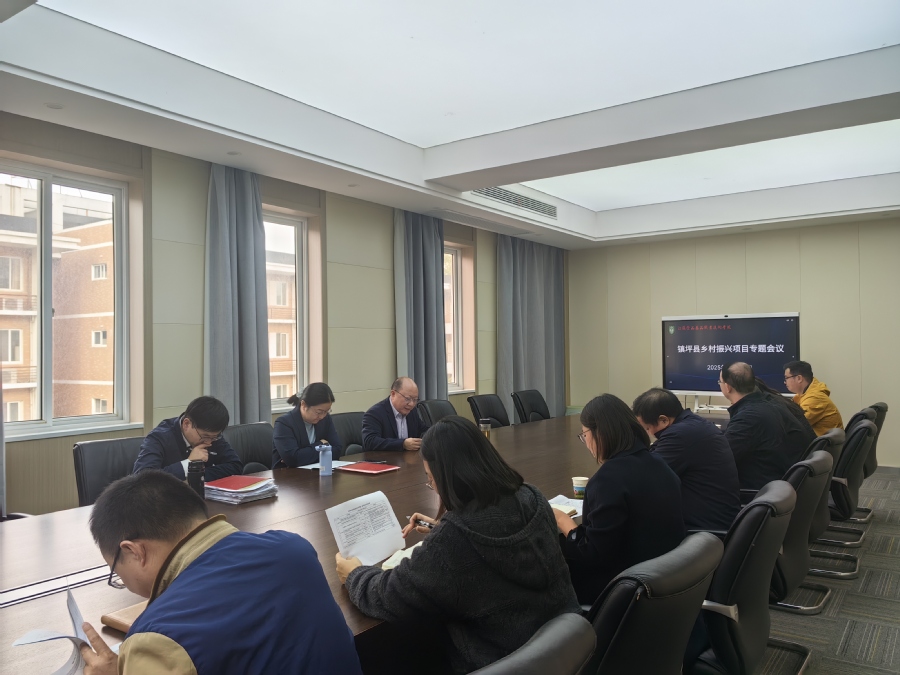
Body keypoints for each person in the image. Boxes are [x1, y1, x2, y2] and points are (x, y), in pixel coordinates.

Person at [336, 416, 579, 674]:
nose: (434, 487)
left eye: (431, 479)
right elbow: (496, 541)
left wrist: (355, 575)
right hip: (565, 652)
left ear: (449, 477)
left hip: (502, 662)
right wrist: (442, 530)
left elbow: (390, 595)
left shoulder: (452, 542)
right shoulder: (533, 497)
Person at [78, 471, 362, 675]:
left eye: (116, 572)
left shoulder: (156, 641)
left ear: (134, 551)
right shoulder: (294, 549)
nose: (123, 581)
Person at [555, 394, 685, 606]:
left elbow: (592, 553)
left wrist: (562, 520)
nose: (586, 443)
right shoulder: (658, 462)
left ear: (600, 433)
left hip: (623, 591)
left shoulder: (608, 479)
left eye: (584, 435)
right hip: (663, 581)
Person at [632, 388, 740, 532]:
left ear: (664, 420)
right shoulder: (693, 424)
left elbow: (643, 477)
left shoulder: (680, 435)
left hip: (703, 528)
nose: (649, 434)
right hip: (716, 518)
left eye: (647, 428)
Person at [718, 362, 814, 490]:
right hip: (788, 486)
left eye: (720, 382)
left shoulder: (748, 417)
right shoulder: (771, 403)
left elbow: (720, 459)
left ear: (728, 387)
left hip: (763, 492)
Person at [133, 396, 242, 482]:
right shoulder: (159, 437)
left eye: (214, 437)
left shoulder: (212, 436)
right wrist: (189, 464)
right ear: (186, 424)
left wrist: (197, 475)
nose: (209, 442)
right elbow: (142, 478)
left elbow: (235, 466)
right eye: (205, 436)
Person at [273, 382, 343, 467]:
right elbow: (293, 459)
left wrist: (303, 454)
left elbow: (337, 450)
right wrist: (321, 444)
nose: (322, 416)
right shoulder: (284, 423)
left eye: (326, 411)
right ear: (304, 405)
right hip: (288, 473)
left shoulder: (325, 419)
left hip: (318, 471)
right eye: (319, 412)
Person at [362, 377, 430, 452]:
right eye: (407, 399)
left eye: (415, 400)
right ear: (393, 394)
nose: (411, 404)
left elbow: (424, 430)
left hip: (408, 458)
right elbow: (370, 442)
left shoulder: (412, 411)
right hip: (384, 458)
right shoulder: (375, 413)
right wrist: (402, 444)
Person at [784, 360, 844, 436]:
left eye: (786, 378)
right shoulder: (803, 395)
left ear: (799, 378)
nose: (785, 382)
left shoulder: (815, 398)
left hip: (822, 443)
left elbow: (794, 425)